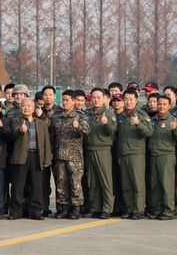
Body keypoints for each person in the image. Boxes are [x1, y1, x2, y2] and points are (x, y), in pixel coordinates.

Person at [9, 98, 51, 220]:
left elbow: (46, 142)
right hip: (21, 157)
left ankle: (36, 211)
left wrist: (47, 159)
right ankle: (15, 211)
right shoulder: (16, 121)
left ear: (33, 108)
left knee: (37, 186)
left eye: (29, 106)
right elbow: (14, 133)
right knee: (18, 186)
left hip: (36, 156)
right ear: (20, 108)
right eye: (23, 106)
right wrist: (21, 131)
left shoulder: (41, 123)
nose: (26, 108)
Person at [51, 90, 90, 219]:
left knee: (75, 183)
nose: (65, 102)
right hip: (59, 155)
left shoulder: (80, 116)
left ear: (74, 101)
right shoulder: (57, 116)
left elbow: (87, 131)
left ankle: (76, 208)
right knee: (61, 183)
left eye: (67, 100)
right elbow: (52, 136)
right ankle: (63, 208)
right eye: (63, 100)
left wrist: (78, 127)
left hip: (75, 157)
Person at [116, 91, 153, 220]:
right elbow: (119, 138)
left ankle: (138, 210)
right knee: (126, 184)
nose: (128, 102)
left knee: (138, 183)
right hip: (124, 153)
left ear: (136, 100)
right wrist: (120, 155)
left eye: (131, 99)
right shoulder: (121, 117)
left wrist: (138, 124)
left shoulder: (142, 115)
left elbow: (149, 132)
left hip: (136, 153)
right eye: (126, 99)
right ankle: (129, 208)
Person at [85, 88, 117, 219]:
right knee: (92, 181)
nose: (96, 100)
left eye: (98, 97)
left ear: (104, 98)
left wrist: (106, 124)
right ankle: (95, 207)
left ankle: (107, 208)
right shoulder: (88, 114)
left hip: (103, 149)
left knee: (105, 180)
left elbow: (112, 131)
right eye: (93, 97)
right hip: (89, 149)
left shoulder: (109, 114)